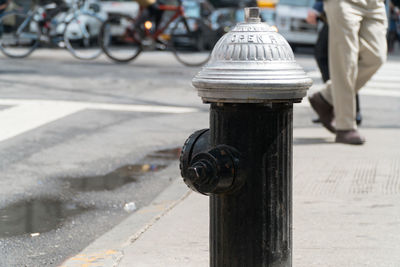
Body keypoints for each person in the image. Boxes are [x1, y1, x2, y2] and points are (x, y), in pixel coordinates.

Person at [308, 0, 387, 145]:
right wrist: (318, 6)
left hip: (374, 3)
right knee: (345, 61)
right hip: (343, 2)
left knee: (376, 56)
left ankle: (326, 96)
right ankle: (345, 127)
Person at [307, 0, 363, 126]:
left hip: (342, 9)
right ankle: (341, 107)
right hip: (345, 10)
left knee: (339, 59)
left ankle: (335, 104)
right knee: (342, 59)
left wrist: (317, 8)